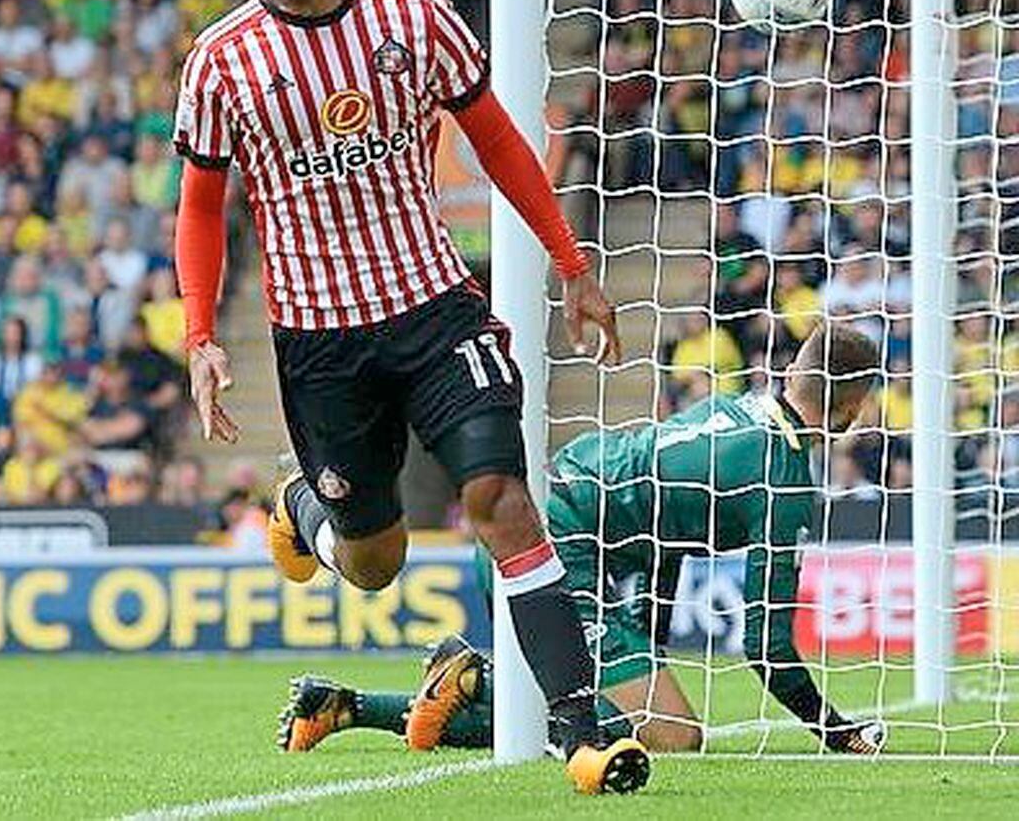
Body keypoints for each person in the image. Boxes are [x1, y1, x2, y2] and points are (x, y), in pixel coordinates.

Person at [174, 0, 638, 795]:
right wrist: (200, 334)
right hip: (319, 345)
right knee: (375, 564)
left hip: (433, 309)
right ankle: (304, 502)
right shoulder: (223, 60)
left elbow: (500, 142)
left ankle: (582, 732)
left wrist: (572, 262)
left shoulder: (413, 16)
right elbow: (198, 206)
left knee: (499, 502)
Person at [278, 324, 887, 759]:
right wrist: (835, 731)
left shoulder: (734, 408)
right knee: (671, 732)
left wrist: (648, 648)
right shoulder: (781, 478)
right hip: (554, 547)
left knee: (587, 714)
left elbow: (662, 540)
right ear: (853, 408)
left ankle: (347, 707)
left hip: (518, 509)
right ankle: (477, 680)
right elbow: (766, 644)